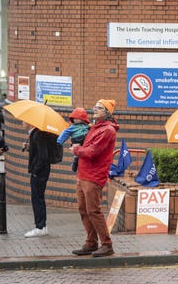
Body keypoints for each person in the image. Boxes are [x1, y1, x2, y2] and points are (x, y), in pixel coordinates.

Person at [71, 99, 118, 257]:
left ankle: (106, 244)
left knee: (93, 211)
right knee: (83, 210)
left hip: (93, 176)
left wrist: (77, 150)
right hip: (83, 175)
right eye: (95, 106)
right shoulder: (94, 127)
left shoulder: (107, 130)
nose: (95, 109)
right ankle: (91, 242)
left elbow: (92, 151)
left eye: (99, 108)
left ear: (107, 112)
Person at [22, 122, 57, 238]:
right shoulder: (35, 134)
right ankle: (42, 226)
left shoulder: (38, 135)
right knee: (38, 198)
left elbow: (43, 156)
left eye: (24, 121)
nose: (22, 122)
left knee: (37, 198)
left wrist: (35, 171)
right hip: (40, 171)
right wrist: (29, 148)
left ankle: (40, 227)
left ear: (30, 123)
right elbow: (38, 152)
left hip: (40, 172)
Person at [57, 107, 90, 172]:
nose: (75, 120)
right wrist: (59, 141)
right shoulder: (73, 127)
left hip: (85, 141)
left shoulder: (87, 126)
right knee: (77, 154)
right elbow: (65, 133)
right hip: (77, 140)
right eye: (74, 118)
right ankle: (75, 162)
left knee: (83, 153)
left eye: (77, 118)